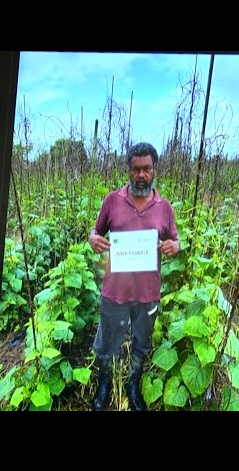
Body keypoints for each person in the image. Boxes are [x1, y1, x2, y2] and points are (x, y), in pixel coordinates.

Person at [88, 142, 180, 411]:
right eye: (136, 169)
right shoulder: (112, 201)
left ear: (154, 170)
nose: (141, 175)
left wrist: (176, 246)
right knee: (107, 342)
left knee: (141, 343)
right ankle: (104, 383)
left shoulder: (165, 208)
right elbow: (96, 232)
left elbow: (175, 239)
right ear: (128, 170)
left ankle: (133, 384)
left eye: (147, 169)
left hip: (147, 293)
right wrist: (94, 239)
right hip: (114, 289)